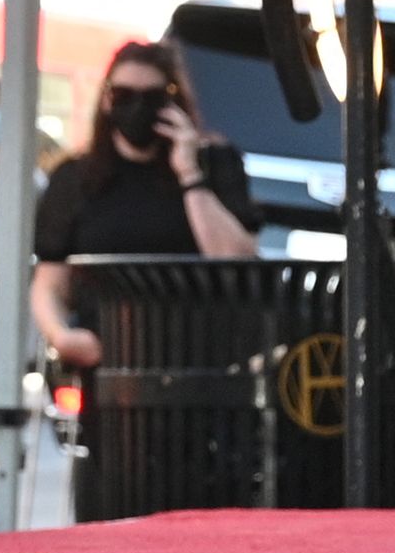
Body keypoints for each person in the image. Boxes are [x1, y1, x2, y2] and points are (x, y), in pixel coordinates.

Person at [30, 39, 262, 370]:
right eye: (123, 95)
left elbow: (235, 259)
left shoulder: (216, 164)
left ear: (172, 103)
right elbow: (50, 280)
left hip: (203, 355)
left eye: (152, 98)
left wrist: (190, 174)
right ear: (107, 100)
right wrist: (60, 336)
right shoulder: (76, 178)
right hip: (111, 358)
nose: (137, 108)